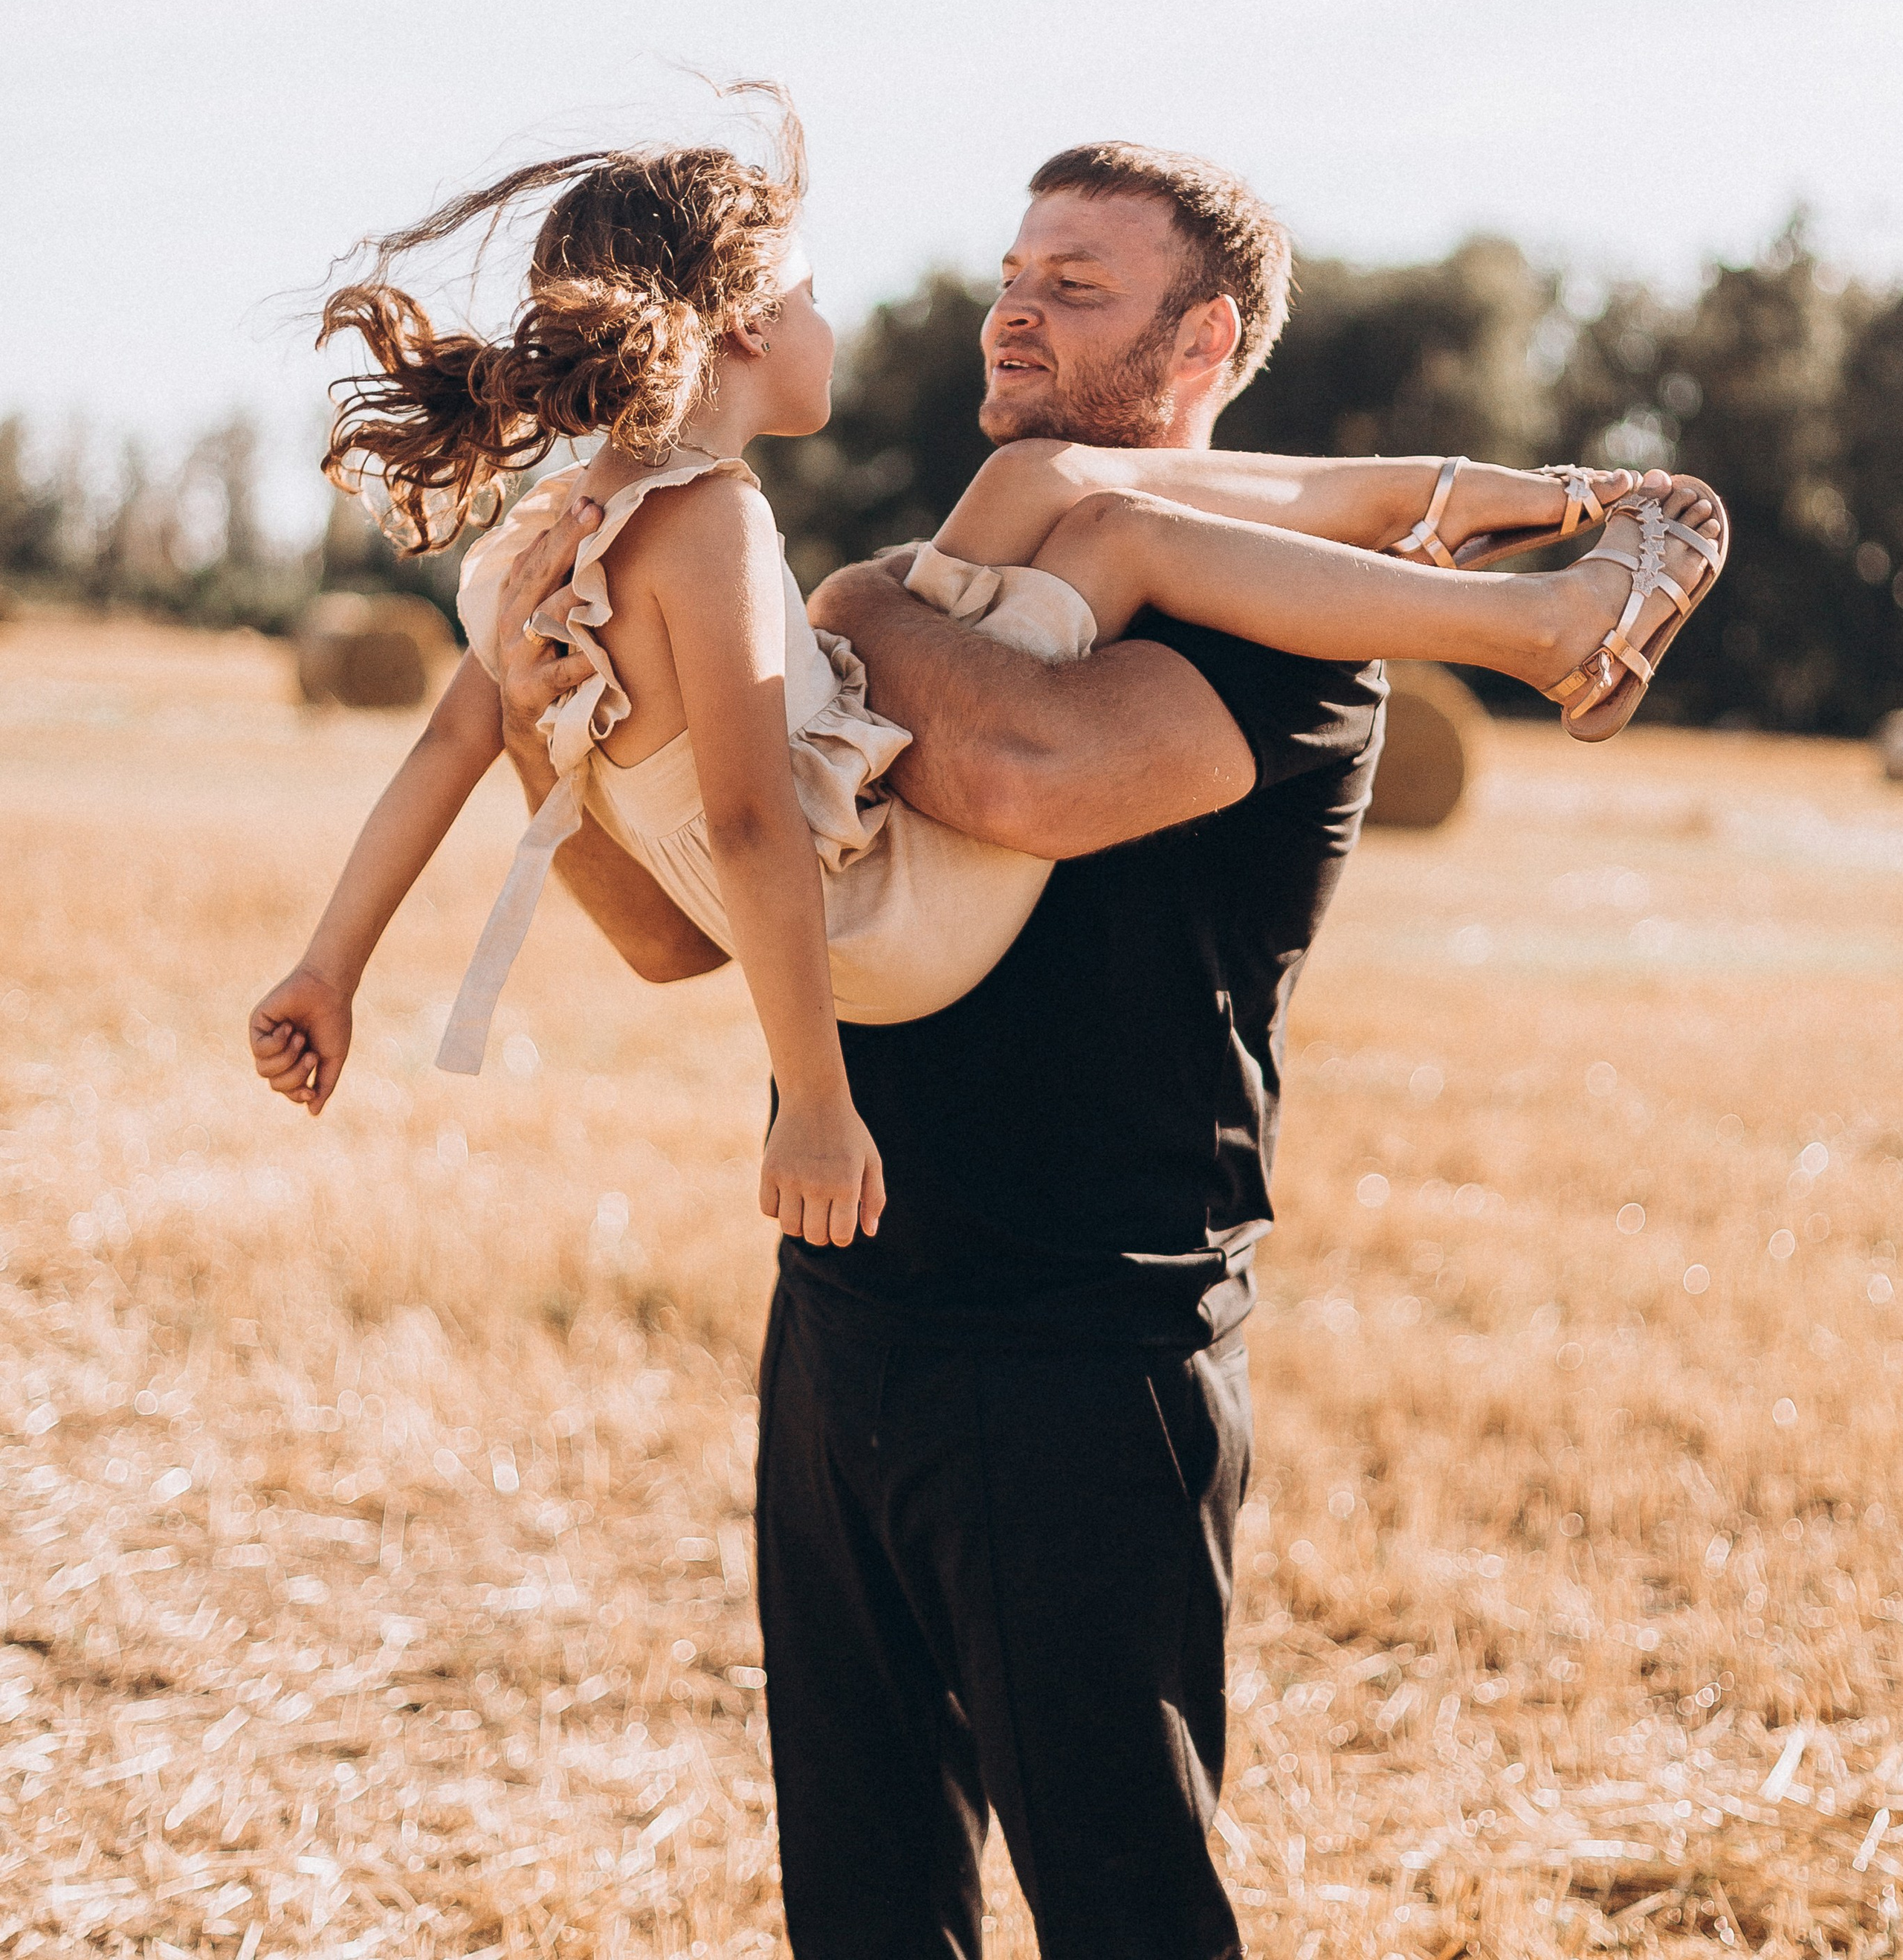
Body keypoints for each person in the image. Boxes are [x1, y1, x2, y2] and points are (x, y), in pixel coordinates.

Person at [256, 124, 1721, 1960]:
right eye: (1011, 276)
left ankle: (1549, 608)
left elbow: (1020, 769)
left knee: (1121, 1911)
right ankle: (1538, 539)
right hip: (845, 1309)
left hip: (1078, 1352)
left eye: (1074, 288)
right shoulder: (919, 556)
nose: (1008, 311)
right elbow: (670, 937)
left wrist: (850, 620)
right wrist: (564, 742)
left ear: (1202, 343)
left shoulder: (1291, 640)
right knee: (862, 1912)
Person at [251, 120, 1725, 1279]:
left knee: (1048, 493)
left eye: (1069, 287)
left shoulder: (544, 537)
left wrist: (331, 964)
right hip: (887, 926)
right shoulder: (711, 524)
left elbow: (448, 744)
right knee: (1113, 528)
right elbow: (751, 829)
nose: (995, 314)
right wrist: (814, 1099)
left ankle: (1499, 523)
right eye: (813, 297)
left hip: (1050, 1229)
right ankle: (1540, 617)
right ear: (748, 325)